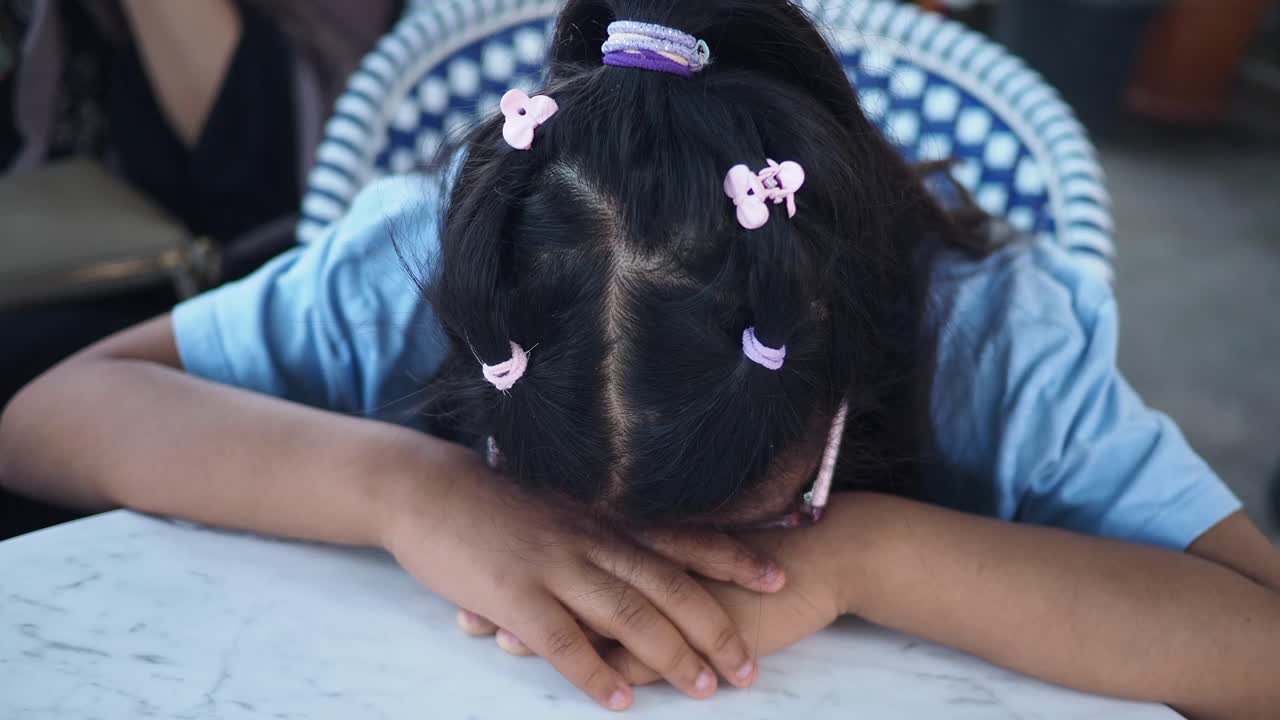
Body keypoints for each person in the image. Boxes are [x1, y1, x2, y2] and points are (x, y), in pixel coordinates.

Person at [3, 1, 1278, 716]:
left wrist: (857, 550)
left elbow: (1256, 642)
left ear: (840, 363)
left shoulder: (988, 337)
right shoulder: (432, 257)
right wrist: (410, 491)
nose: (631, 580)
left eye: (755, 515)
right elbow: (53, 415)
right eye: (533, 488)